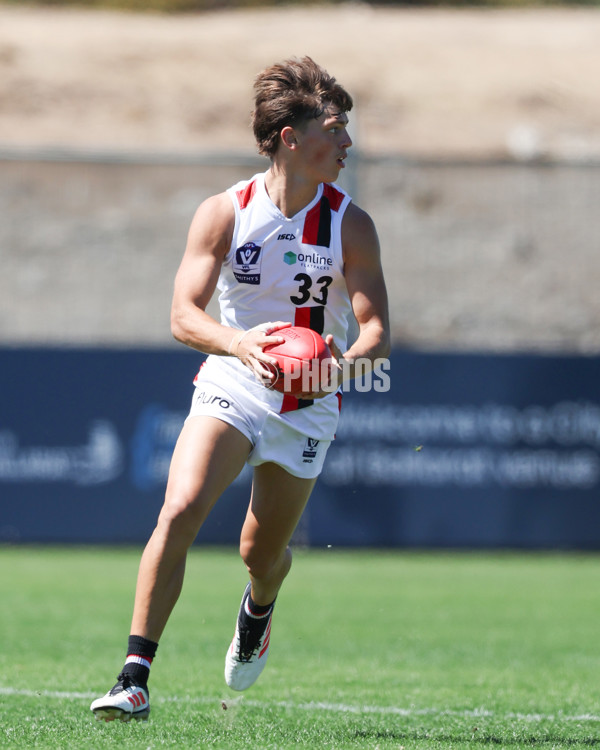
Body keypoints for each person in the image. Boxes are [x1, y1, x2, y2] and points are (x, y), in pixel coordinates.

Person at [90, 55, 390, 722]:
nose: (347, 143)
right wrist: (239, 344)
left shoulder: (350, 224)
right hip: (235, 377)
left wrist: (334, 369)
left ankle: (260, 606)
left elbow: (376, 335)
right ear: (291, 137)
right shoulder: (226, 212)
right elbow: (183, 315)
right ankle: (134, 675)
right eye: (336, 128)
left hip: (309, 402)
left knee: (260, 552)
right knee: (181, 507)